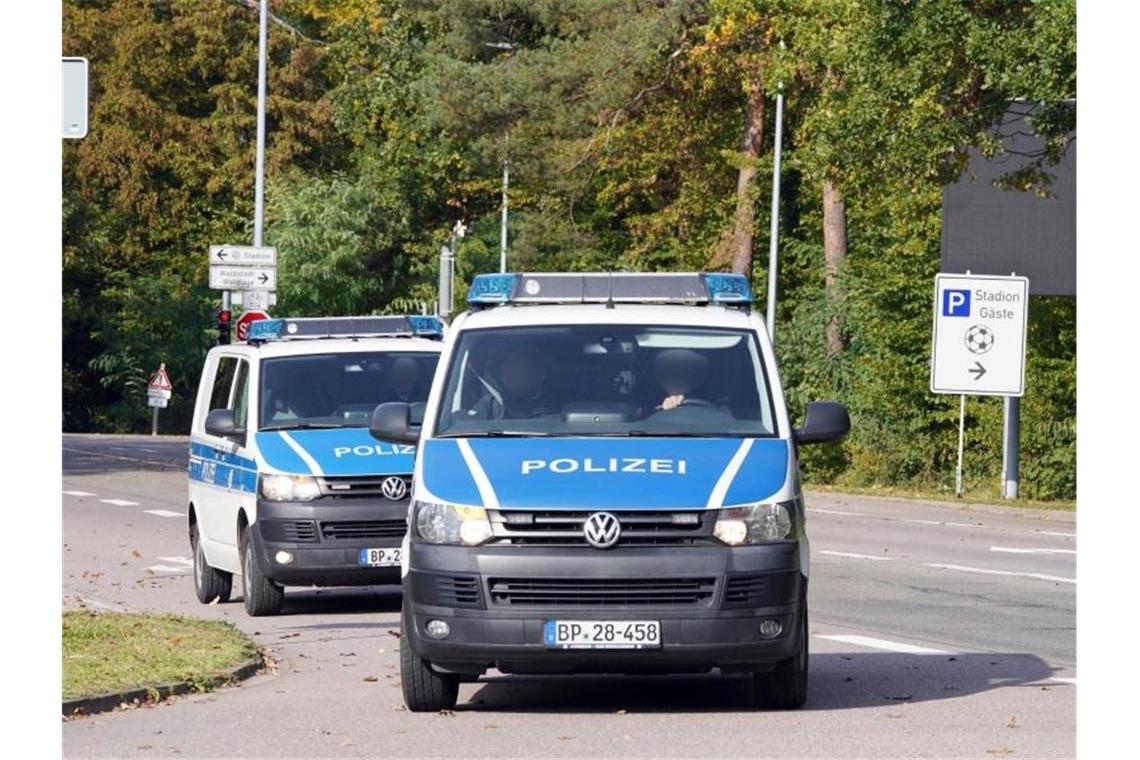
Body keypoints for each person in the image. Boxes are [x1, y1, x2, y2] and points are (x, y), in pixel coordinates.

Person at [470, 346, 558, 420]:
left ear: (540, 374)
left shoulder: (559, 405)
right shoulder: (492, 404)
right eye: (508, 372)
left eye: (520, 372)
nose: (511, 379)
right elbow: (467, 426)